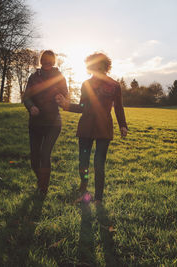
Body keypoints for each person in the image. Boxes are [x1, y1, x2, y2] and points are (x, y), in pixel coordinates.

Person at [55, 52, 128, 204]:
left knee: (99, 163)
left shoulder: (114, 85)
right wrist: (66, 105)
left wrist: (123, 125)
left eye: (100, 65)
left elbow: (119, 108)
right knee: (83, 161)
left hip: (104, 128)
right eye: (94, 65)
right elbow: (82, 107)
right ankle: (84, 185)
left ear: (105, 67)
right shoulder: (86, 84)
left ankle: (98, 198)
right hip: (86, 126)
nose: (97, 68)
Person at [23, 50, 68, 195]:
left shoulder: (60, 77)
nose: (48, 63)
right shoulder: (34, 77)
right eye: (45, 60)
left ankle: (43, 189)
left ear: (54, 62)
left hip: (53, 123)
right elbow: (27, 97)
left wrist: (62, 98)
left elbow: (65, 96)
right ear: (41, 61)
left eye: (50, 61)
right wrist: (31, 107)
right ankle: (40, 180)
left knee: (45, 154)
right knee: (34, 158)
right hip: (35, 123)